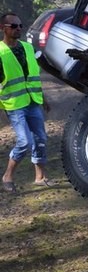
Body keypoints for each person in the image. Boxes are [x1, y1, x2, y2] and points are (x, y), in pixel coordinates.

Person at [0, 12, 51, 192]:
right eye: (13, 26)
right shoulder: (0, 52)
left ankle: (39, 177)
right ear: (2, 28)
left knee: (41, 139)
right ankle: (7, 177)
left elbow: (33, 76)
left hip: (32, 101)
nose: (18, 29)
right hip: (14, 104)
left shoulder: (27, 48)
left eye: (20, 25)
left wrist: (43, 97)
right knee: (24, 142)